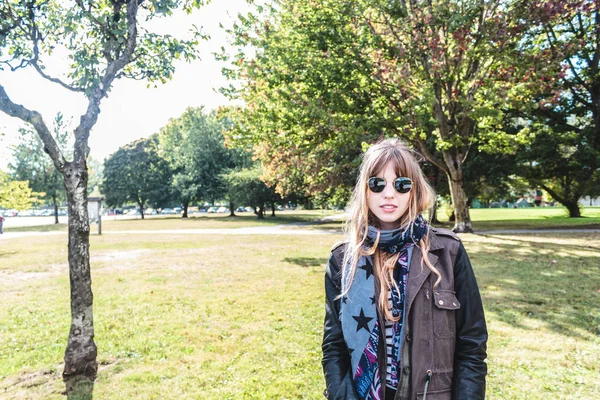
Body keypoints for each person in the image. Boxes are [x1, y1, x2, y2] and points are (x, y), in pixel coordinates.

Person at [322, 138, 487, 400]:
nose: (389, 194)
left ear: (414, 190)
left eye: (401, 184)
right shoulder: (343, 258)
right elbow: (334, 348)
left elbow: (472, 346)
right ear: (365, 190)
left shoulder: (448, 252)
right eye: (377, 183)